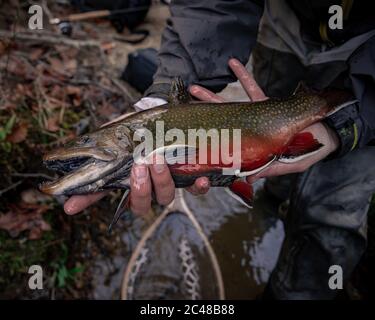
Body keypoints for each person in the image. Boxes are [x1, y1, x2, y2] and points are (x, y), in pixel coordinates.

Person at [63, 0, 375, 299]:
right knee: (275, 167)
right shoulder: (136, 139)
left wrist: (347, 121)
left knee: (333, 215)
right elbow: (212, 4)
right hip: (284, 28)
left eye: (88, 142)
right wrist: (167, 92)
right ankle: (269, 206)